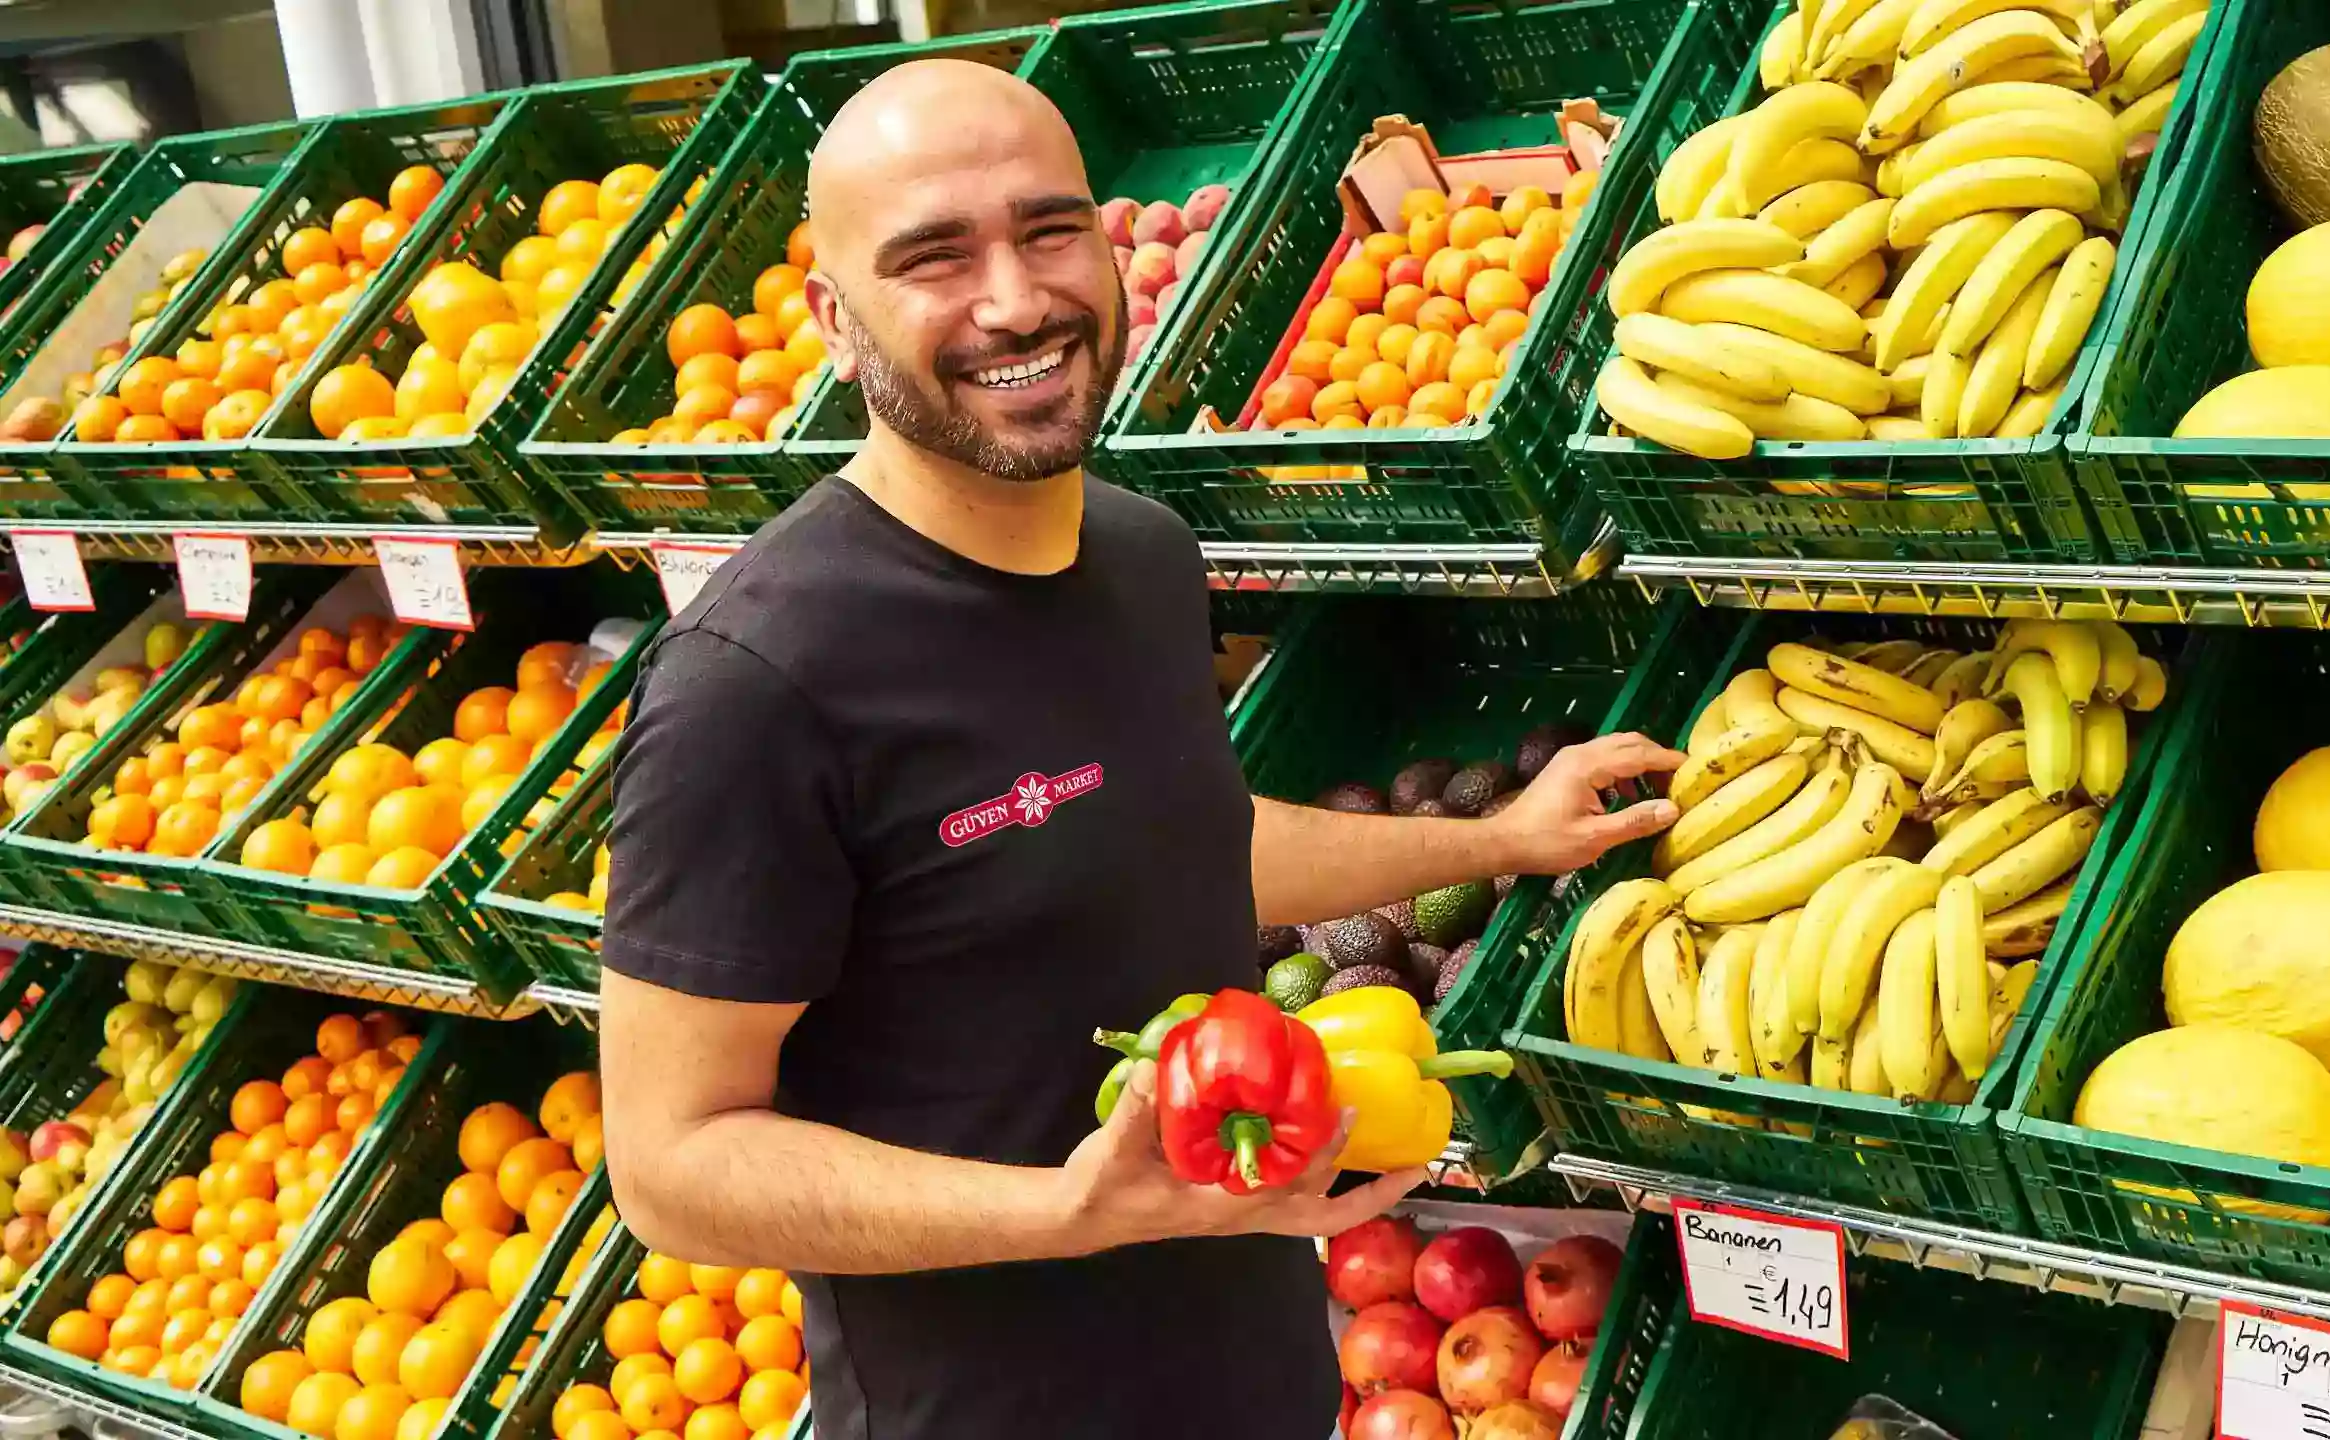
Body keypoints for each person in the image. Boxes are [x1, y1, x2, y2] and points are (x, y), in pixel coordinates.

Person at [596, 58, 1684, 1440]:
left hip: (1264, 1375)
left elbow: (1189, 840)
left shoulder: (1144, 556)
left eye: (1048, 229)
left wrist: (1504, 835)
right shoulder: (758, 683)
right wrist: (1072, 1211)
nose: (1015, 298)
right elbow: (672, 1165)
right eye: (935, 256)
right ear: (833, 318)